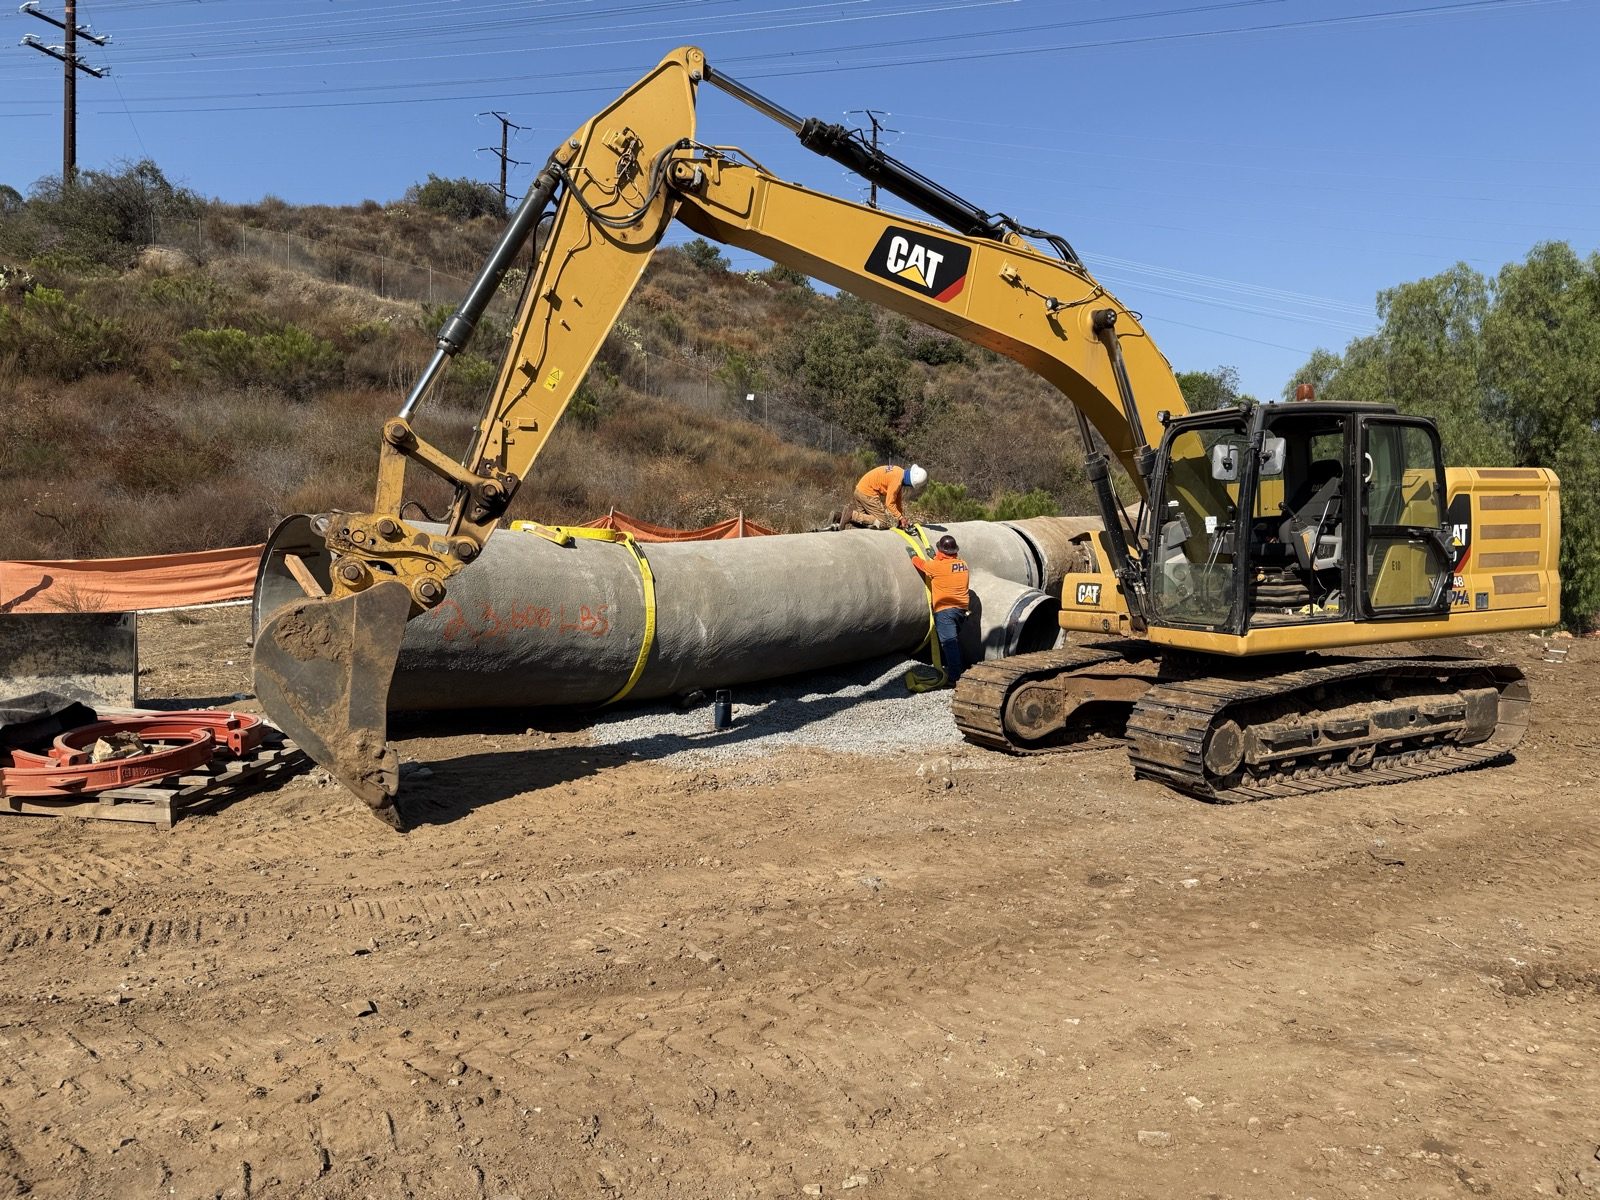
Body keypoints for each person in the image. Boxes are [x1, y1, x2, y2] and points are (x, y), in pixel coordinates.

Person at [912, 533, 971, 685]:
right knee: (954, 641)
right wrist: (935, 556)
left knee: (949, 644)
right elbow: (948, 566)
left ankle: (954, 678)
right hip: (961, 610)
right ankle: (958, 668)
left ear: (941, 551)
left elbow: (921, 564)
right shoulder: (963, 564)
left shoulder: (936, 566)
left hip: (945, 611)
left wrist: (913, 556)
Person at [843, 464, 927, 530]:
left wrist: (900, 518)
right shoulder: (896, 482)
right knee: (882, 522)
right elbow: (889, 503)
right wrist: (900, 518)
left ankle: (840, 517)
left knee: (864, 522)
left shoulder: (899, 472)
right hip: (867, 493)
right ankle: (851, 514)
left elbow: (897, 500)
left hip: (859, 490)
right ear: (911, 483)